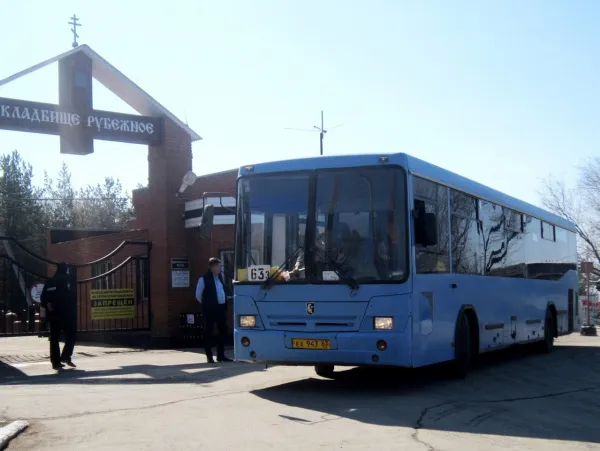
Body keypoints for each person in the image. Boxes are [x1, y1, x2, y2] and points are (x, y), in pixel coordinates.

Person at [40, 263, 77, 371]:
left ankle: (56, 362)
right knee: (71, 336)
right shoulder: (68, 280)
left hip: (54, 314)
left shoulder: (51, 281)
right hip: (67, 314)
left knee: (54, 339)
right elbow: (72, 296)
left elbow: (43, 298)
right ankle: (66, 356)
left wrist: (48, 304)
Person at [195, 258, 232, 363]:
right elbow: (198, 295)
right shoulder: (203, 279)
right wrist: (207, 303)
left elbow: (221, 291)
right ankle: (209, 356)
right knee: (209, 332)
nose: (219, 268)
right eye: (218, 266)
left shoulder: (219, 278)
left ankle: (221, 355)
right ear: (212, 267)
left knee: (223, 331)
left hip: (220, 308)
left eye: (219, 266)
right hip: (209, 310)